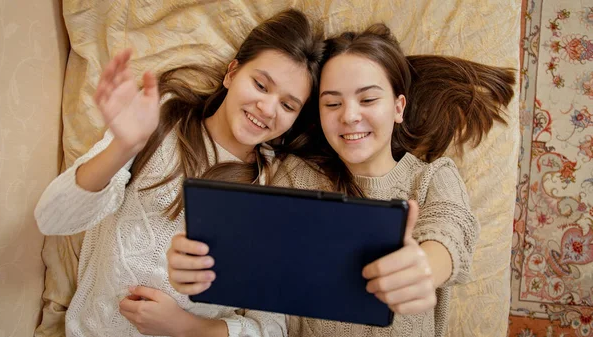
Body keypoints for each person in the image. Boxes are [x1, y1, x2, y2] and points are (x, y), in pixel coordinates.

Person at [167, 23, 515, 337]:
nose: (349, 116)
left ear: (398, 107)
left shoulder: (432, 177)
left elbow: (451, 229)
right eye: (332, 104)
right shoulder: (291, 177)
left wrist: (426, 267)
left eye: (367, 99)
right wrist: (197, 267)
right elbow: (250, 262)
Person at [34, 9, 324, 337]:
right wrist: (123, 148)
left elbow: (270, 328)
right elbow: (51, 220)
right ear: (232, 73)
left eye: (288, 106)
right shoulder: (161, 120)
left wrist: (186, 326)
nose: (267, 109)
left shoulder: (273, 187)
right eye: (260, 84)